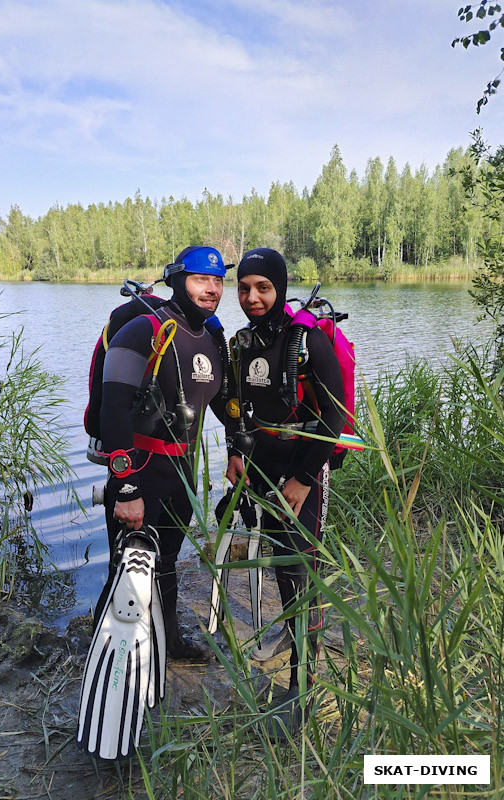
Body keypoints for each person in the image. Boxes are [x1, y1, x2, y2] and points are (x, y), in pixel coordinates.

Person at [225, 247, 346, 739]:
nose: (252, 297)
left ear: (279, 287)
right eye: (245, 287)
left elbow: (334, 417)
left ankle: (304, 684)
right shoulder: (244, 342)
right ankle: (300, 649)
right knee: (281, 563)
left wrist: (301, 479)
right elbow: (237, 406)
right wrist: (236, 450)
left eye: (263, 288)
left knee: (302, 568)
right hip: (262, 466)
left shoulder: (308, 342)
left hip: (303, 469)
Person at [98, 245, 229, 661]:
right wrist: (126, 487)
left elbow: (224, 404)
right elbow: (112, 411)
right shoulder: (143, 330)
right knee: (126, 569)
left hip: (180, 474)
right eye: (200, 279)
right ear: (176, 280)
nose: (211, 289)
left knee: (167, 561)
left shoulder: (211, 338)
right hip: (139, 471)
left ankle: (168, 643)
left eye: (217, 281)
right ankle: (109, 657)